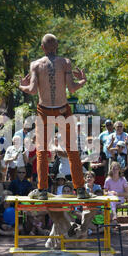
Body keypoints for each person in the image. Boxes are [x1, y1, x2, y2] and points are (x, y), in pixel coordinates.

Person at [19, 33, 90, 200]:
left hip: (44, 110)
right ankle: (80, 189)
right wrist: (83, 81)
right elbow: (72, 88)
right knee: (72, 150)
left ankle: (42, 190)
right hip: (62, 110)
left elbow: (32, 90)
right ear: (56, 46)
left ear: (42, 48)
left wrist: (21, 86)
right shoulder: (65, 63)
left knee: (42, 152)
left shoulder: (35, 65)